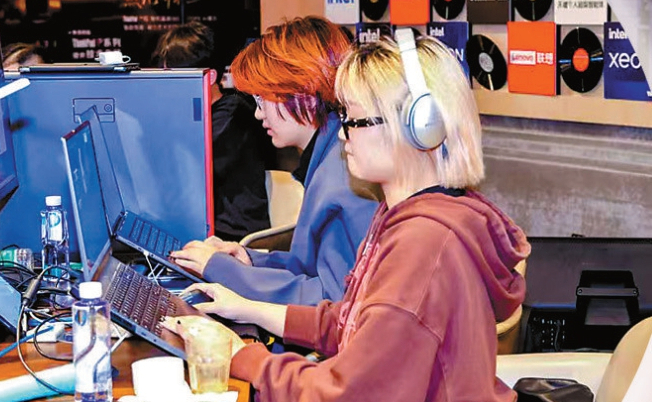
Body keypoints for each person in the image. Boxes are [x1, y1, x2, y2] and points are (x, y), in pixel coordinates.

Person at [166, 35, 530, 401]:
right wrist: (249, 309)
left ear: (417, 127)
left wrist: (239, 354)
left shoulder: (424, 244)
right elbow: (350, 323)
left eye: (354, 120)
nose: (342, 134)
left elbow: (346, 392)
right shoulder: (408, 217)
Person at [169, 16, 379, 306]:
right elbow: (309, 268)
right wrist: (249, 260)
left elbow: (330, 302)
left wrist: (221, 269)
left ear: (303, 93)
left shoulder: (343, 179)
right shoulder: (330, 157)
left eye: (262, 100)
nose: (258, 113)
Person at [152, 21, 277, 241]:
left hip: (232, 238)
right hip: (199, 231)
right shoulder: (196, 116)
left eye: (175, 76)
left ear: (209, 76)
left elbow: (186, 174)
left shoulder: (233, 115)